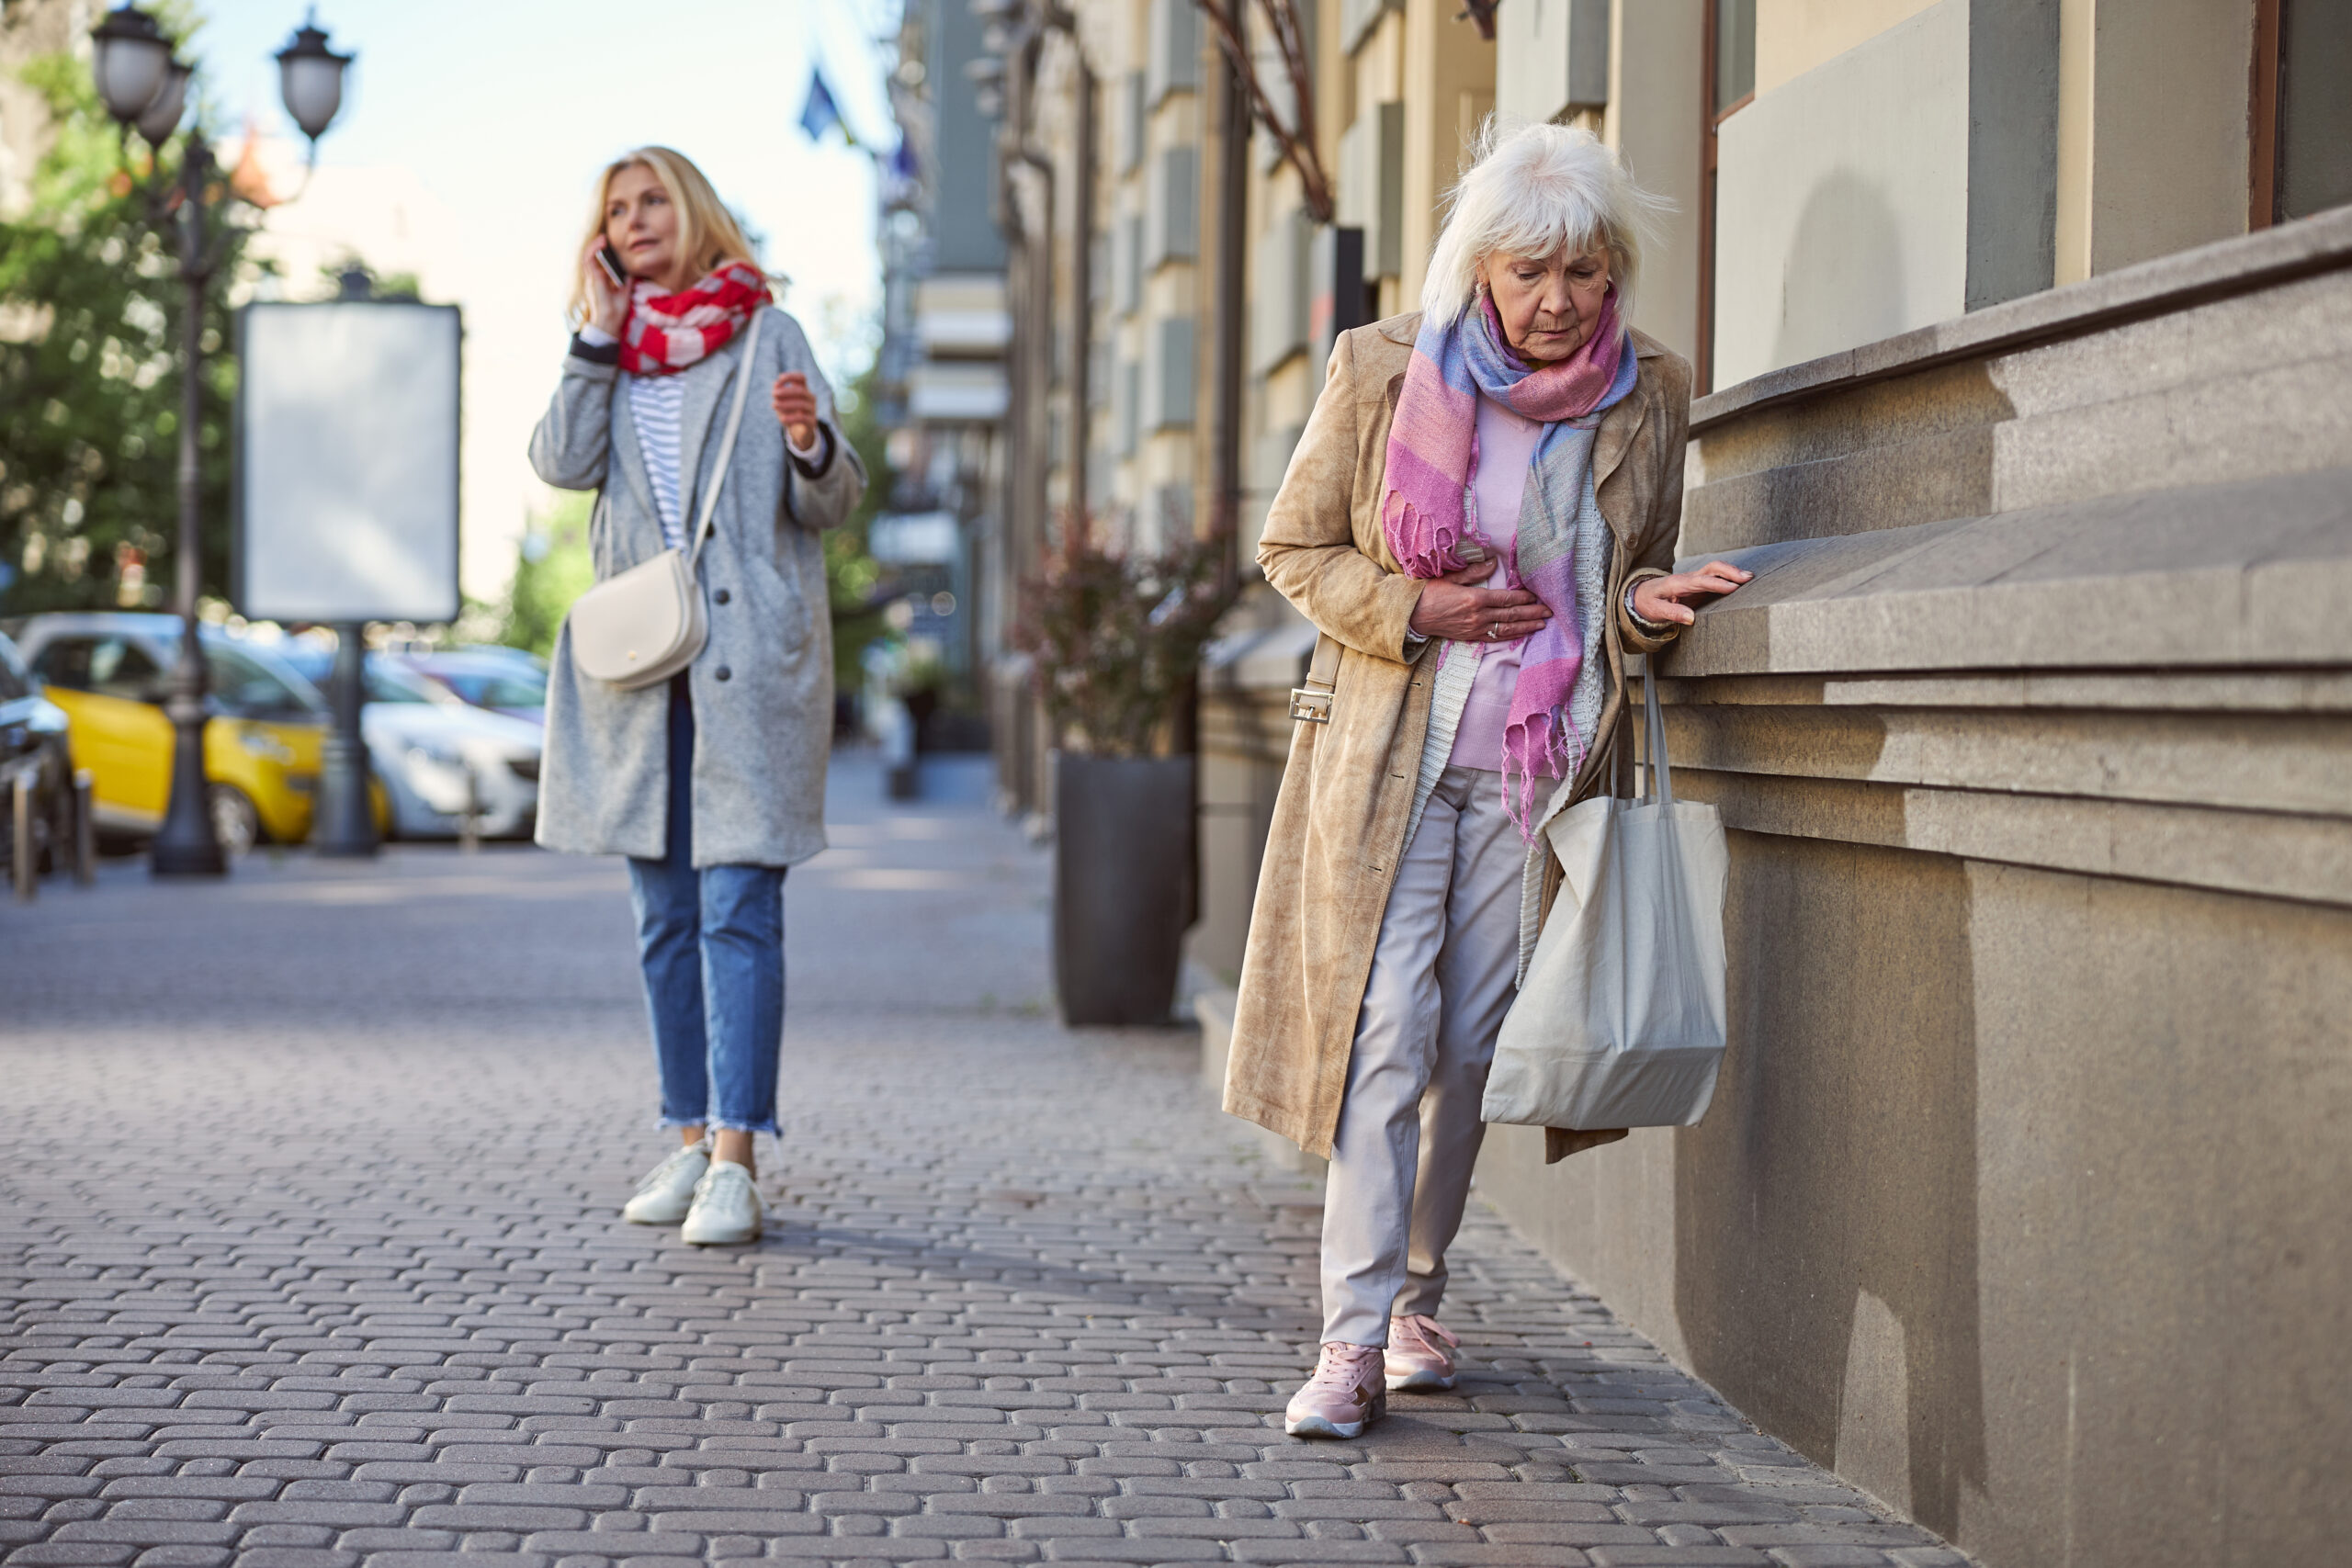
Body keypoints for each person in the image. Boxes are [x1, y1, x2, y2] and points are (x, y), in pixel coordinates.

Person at [1224, 121, 1751, 1437]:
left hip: (1537, 771)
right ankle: (1347, 1341)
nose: (1557, 300)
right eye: (1529, 273)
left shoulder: (1650, 390)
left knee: (1468, 1043)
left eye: (1581, 271)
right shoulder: (1381, 366)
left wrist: (1646, 602)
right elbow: (1292, 546)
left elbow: (1608, 583)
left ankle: (1416, 1293)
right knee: (1386, 1036)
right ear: (1482, 269)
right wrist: (1417, 606)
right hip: (1388, 762)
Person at [528, 146, 865, 1247]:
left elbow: (835, 499)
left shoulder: (768, 331)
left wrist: (809, 442)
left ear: (694, 210)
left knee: (736, 909)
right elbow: (560, 461)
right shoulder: (610, 352)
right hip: (640, 673)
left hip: (747, 665)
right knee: (663, 918)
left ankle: (734, 1157)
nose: (633, 219)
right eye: (614, 208)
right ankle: (682, 1139)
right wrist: (591, 332)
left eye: (651, 199)